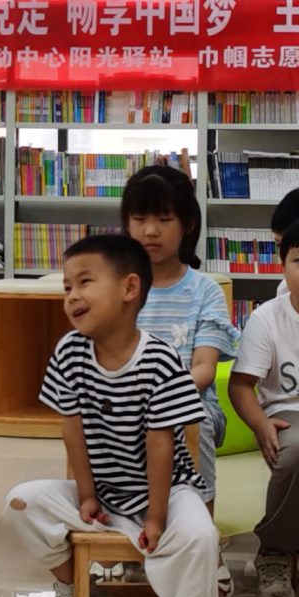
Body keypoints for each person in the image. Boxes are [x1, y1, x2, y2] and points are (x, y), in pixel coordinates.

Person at [3, 232, 233, 597]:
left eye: (85, 282)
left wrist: (156, 517)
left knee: (201, 537)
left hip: (167, 491)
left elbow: (161, 444)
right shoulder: (69, 352)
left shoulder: (160, 358)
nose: (72, 296)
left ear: (129, 288)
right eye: (67, 286)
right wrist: (86, 495)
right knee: (21, 501)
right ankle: (78, 590)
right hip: (106, 491)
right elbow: (72, 429)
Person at [233, 212, 299, 597]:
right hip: (294, 411)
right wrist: (260, 424)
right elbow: (241, 385)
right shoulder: (267, 317)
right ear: (283, 265)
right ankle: (275, 551)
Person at [119, 161, 238, 451]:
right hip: (124, 399)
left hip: (191, 401)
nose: (150, 230)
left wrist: (159, 398)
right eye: (139, 219)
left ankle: (198, 486)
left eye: (164, 219)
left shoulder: (205, 291)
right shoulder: (115, 288)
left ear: (188, 223)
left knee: (189, 421)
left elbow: (204, 368)